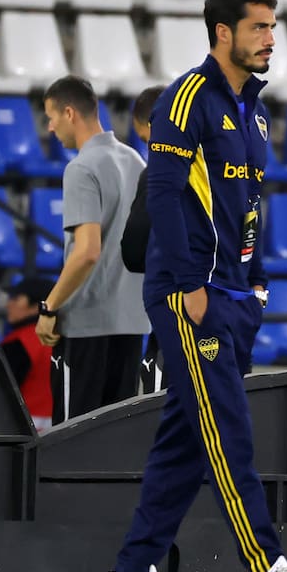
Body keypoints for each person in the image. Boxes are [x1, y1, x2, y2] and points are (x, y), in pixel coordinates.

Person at [100, 0, 287, 572]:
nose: (270, 38)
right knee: (228, 428)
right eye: (259, 27)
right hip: (191, 295)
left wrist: (255, 285)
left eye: (273, 27)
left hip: (235, 293)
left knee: (188, 435)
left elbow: (250, 205)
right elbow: (166, 196)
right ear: (222, 33)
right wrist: (188, 285)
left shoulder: (255, 110)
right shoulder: (187, 99)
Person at [36, 76, 150, 424]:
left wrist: (49, 306)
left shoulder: (81, 168)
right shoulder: (136, 162)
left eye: (52, 118)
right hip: (132, 324)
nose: (51, 129)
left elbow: (87, 252)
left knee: (72, 442)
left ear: (69, 112)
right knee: (113, 443)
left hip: (86, 326)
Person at [121, 85, 167, 394]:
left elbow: (134, 250)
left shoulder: (158, 173)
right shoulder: (224, 167)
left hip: (176, 311)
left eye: (147, 140)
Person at [0, 277, 55, 430]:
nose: (8, 304)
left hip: (21, 433)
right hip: (61, 433)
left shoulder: (20, 342)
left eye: (16, 298)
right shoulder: (68, 339)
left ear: (35, 305)